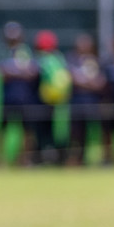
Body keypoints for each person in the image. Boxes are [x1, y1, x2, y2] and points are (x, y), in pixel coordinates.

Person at [0, 21, 40, 167]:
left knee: (27, 130)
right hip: (7, 97)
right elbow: (1, 72)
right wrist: (19, 71)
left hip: (24, 97)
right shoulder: (2, 51)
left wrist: (14, 71)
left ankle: (24, 159)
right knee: (2, 130)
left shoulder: (26, 51)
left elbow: (32, 72)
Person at [67, 33, 110, 166]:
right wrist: (90, 82)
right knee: (77, 134)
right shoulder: (72, 59)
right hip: (77, 103)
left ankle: (104, 158)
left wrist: (84, 81)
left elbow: (101, 83)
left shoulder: (97, 61)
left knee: (99, 132)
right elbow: (72, 79)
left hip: (94, 104)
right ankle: (77, 159)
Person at [32, 30, 70, 165]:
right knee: (56, 130)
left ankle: (41, 157)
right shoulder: (59, 58)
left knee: (41, 131)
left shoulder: (41, 60)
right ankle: (57, 157)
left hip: (40, 101)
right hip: (58, 101)